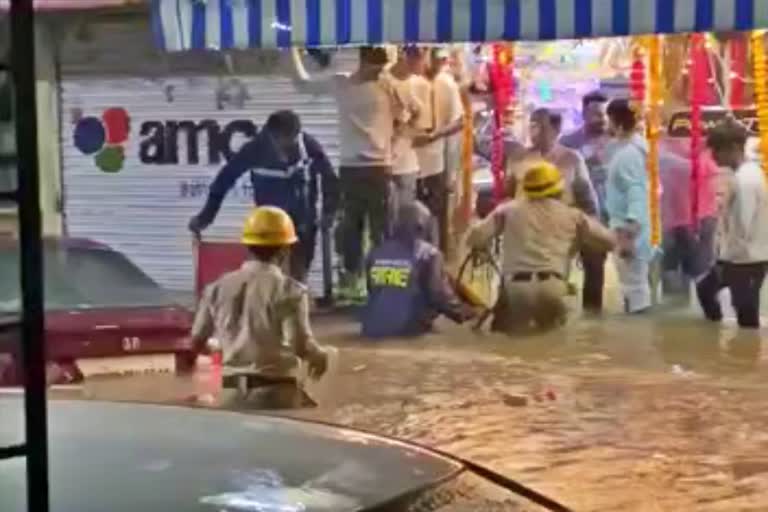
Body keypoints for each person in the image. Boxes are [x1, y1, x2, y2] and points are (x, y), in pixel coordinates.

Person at [289, 46, 418, 302]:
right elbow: (302, 83)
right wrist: (291, 49)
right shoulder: (342, 83)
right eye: (375, 68)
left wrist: (400, 142)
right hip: (351, 169)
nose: (379, 73)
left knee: (382, 232)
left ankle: (382, 288)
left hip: (380, 168)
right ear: (363, 61)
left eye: (382, 68)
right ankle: (353, 286)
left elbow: (417, 111)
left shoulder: (388, 86)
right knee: (350, 232)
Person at [188, 110, 338, 283]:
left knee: (297, 280)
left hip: (302, 224)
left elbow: (330, 178)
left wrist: (329, 211)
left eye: (294, 138)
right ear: (272, 136)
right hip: (270, 228)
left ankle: (295, 300)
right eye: (286, 140)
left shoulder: (307, 145)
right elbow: (223, 182)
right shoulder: (254, 150)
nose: (291, 145)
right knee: (269, 279)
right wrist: (205, 218)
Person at [467, 162, 614, 333]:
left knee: (511, 345)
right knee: (551, 345)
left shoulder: (507, 210)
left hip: (516, 289)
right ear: (559, 189)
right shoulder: (574, 216)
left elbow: (474, 238)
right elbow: (609, 242)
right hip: (552, 287)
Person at [191, 206, 329, 388]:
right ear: (284, 251)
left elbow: (196, 341)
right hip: (275, 390)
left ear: (248, 246)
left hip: (228, 391)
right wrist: (320, 356)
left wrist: (223, 349)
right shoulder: (290, 291)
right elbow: (300, 345)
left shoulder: (216, 288)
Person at [505, 108, 600, 307]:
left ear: (556, 130)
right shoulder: (518, 159)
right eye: (531, 125)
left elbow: (588, 201)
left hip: (559, 231)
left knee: (590, 260)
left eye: (540, 126)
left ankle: (591, 316)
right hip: (526, 230)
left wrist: (590, 232)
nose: (534, 131)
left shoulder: (572, 159)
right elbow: (508, 197)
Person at [362, 200, 475, 338]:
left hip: (371, 330)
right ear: (422, 226)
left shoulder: (374, 254)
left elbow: (373, 290)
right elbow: (438, 295)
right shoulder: (430, 254)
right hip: (409, 331)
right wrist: (467, 313)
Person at [696, 119, 768, 329]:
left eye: (718, 150)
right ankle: (723, 345)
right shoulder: (748, 173)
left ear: (734, 148)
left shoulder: (745, 180)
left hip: (745, 260)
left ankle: (743, 354)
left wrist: (724, 255)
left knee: (745, 314)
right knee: (707, 291)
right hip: (741, 258)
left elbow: (742, 226)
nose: (714, 156)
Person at [560, 92, 612, 312]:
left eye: (603, 114)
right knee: (558, 267)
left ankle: (592, 320)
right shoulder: (568, 144)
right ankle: (555, 314)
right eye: (595, 114)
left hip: (601, 218)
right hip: (570, 216)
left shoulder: (617, 142)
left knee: (594, 269)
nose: (600, 119)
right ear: (583, 113)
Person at [411, 48, 465, 254]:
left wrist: (436, 134)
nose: (439, 64)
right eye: (436, 59)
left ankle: (436, 264)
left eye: (443, 60)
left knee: (436, 219)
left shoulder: (446, 84)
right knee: (411, 220)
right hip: (408, 165)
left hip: (435, 165)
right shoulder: (409, 81)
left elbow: (459, 121)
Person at [605, 99, 654, 314]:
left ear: (618, 124)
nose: (606, 126)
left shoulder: (628, 155)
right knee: (636, 286)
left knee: (634, 290)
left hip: (629, 229)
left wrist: (628, 233)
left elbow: (636, 193)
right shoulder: (637, 149)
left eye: (609, 120)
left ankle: (639, 341)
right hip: (636, 227)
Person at [658, 138, 719, 298]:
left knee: (691, 272)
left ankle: (681, 312)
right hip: (684, 220)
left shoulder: (665, 147)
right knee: (693, 272)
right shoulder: (701, 152)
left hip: (690, 220)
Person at [388, 46, 427, 230]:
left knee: (404, 221)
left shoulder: (417, 84)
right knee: (386, 222)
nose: (424, 64)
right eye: (422, 58)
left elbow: (422, 124)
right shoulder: (383, 81)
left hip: (405, 165)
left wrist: (409, 122)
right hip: (384, 164)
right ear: (407, 57)